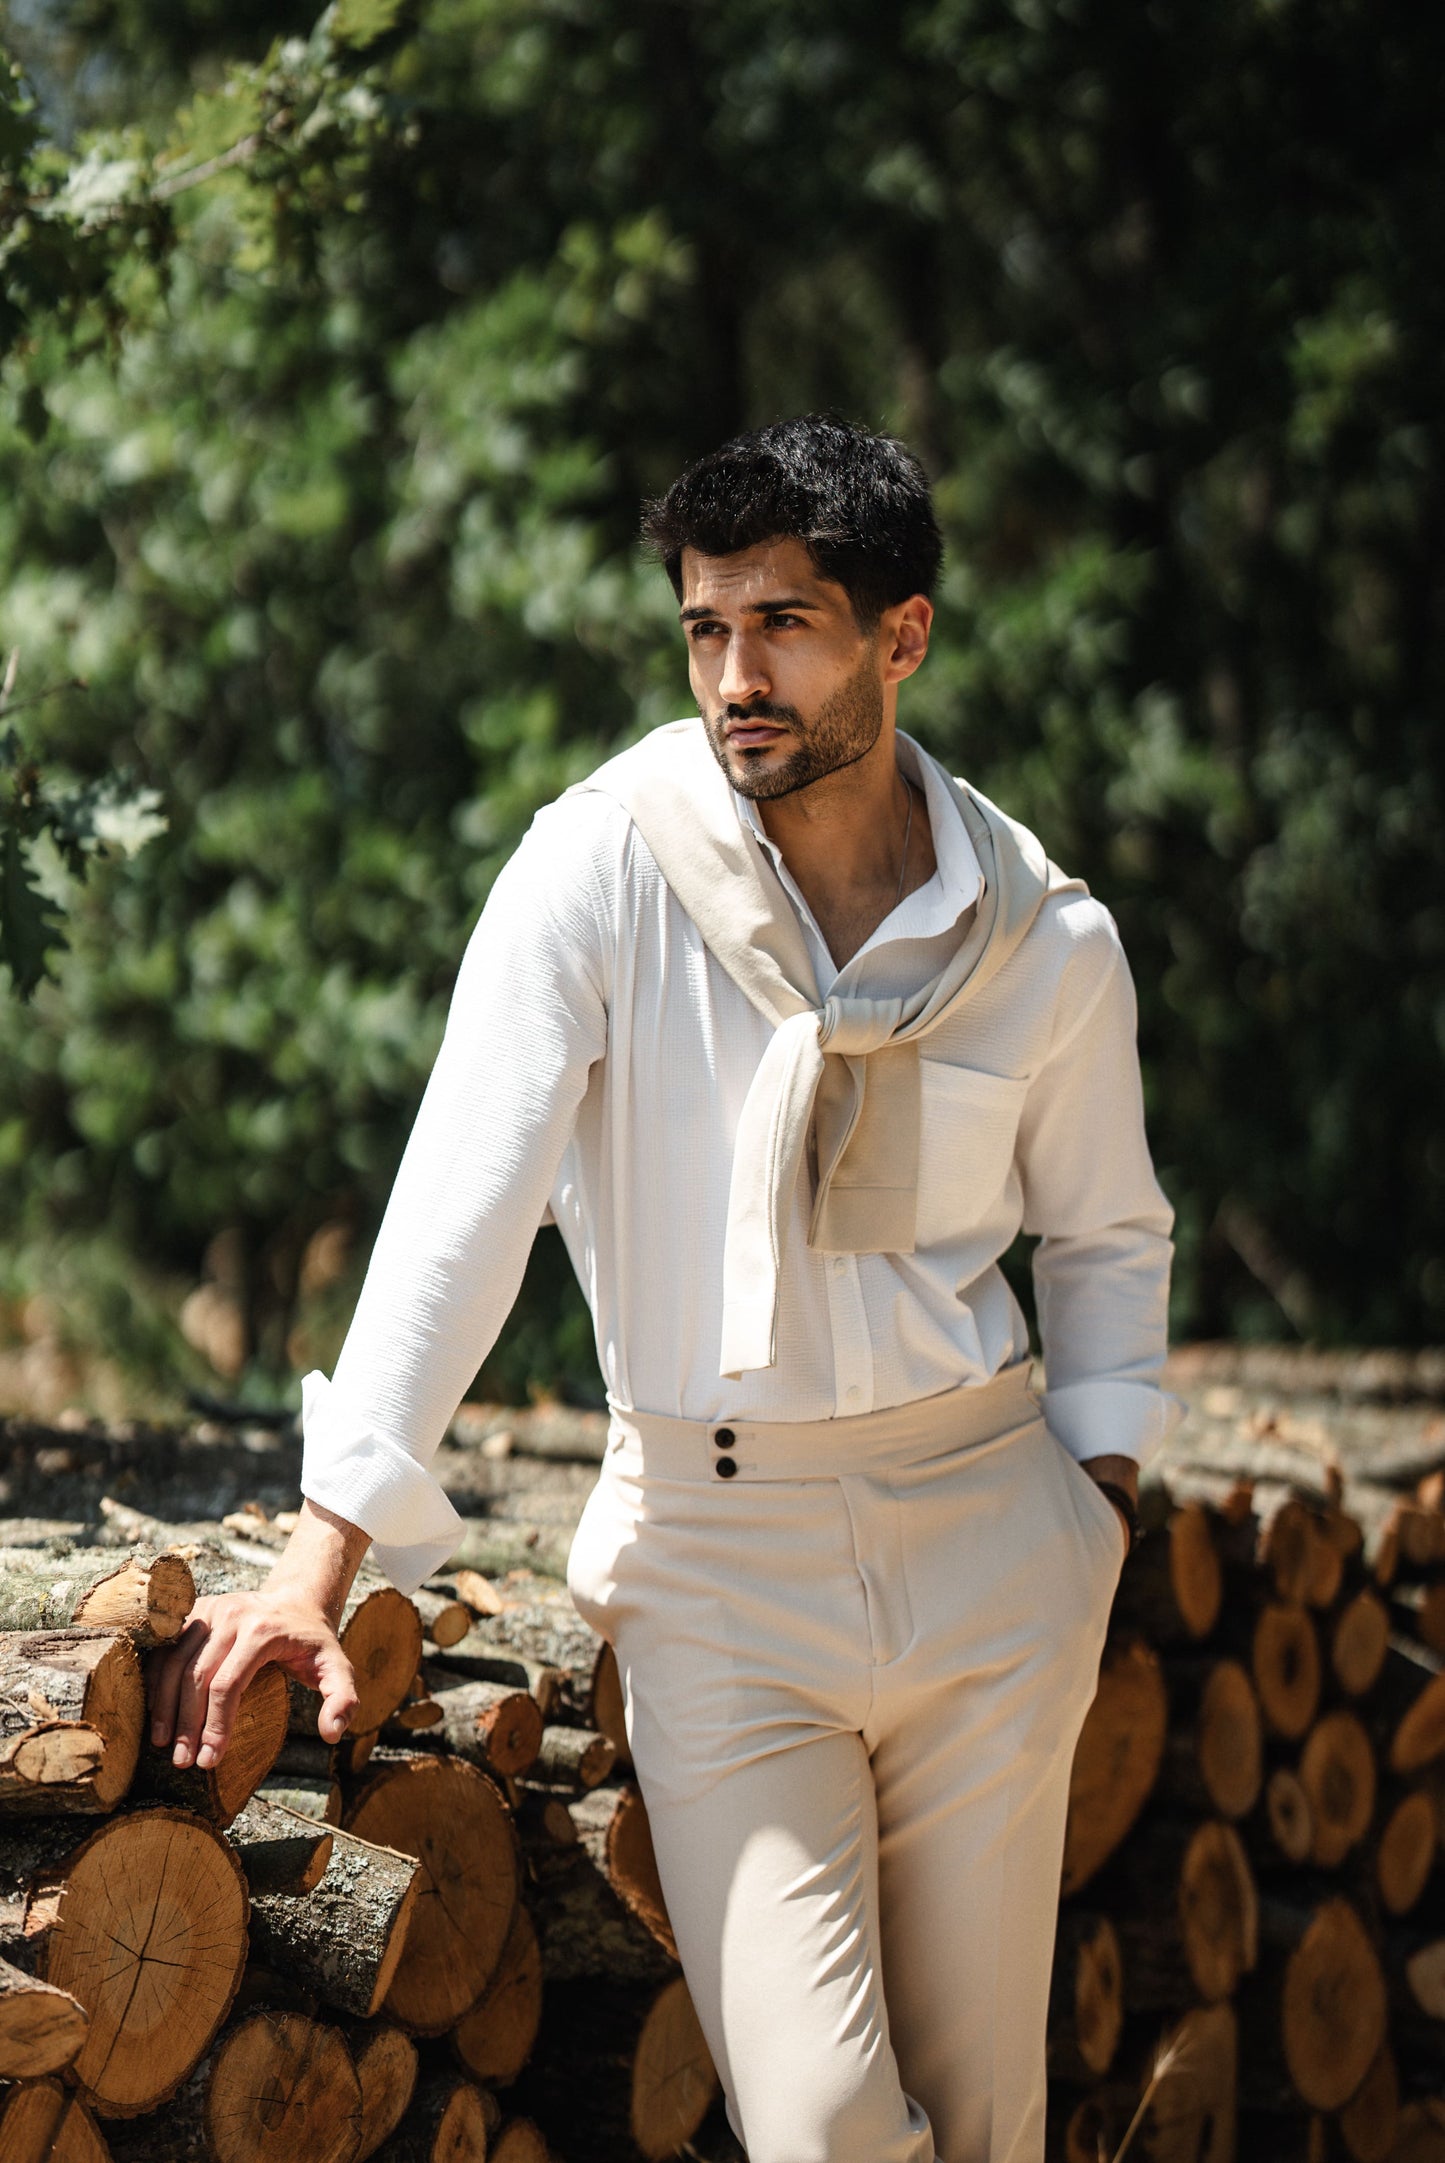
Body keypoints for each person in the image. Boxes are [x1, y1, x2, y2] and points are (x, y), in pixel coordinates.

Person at [149, 413, 1179, 2163]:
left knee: (992, 2118)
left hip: (993, 1552)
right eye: (705, 630)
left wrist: (1087, 1512)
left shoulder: (1041, 937)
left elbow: (1104, 1235)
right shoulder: (598, 867)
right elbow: (454, 1210)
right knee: (824, 2126)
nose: (734, 677)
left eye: (781, 624)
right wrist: (318, 1557)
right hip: (720, 1569)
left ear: (901, 636)